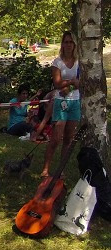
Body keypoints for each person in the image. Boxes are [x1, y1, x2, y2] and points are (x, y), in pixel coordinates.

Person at [41, 31, 81, 177]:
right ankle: (46, 168)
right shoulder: (57, 62)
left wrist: (70, 85)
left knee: (68, 139)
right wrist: (71, 82)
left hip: (75, 102)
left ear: (74, 44)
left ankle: (61, 169)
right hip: (61, 101)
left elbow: (81, 82)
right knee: (56, 138)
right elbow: (57, 83)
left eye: (71, 42)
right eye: (66, 42)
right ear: (62, 44)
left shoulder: (79, 62)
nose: (68, 45)